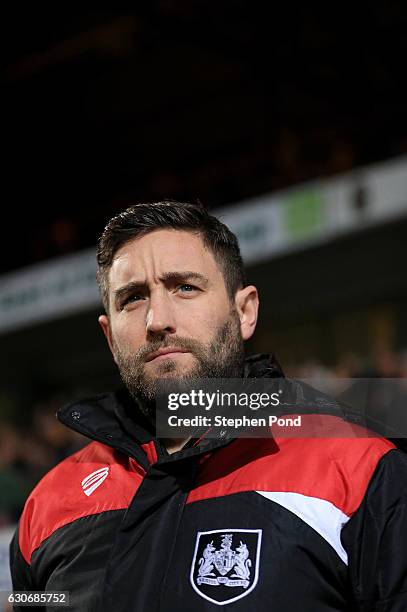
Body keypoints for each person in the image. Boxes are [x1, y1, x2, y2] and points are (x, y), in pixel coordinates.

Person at [10, 201, 407, 611]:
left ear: (244, 312)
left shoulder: (360, 470)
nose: (157, 319)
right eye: (132, 298)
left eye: (185, 287)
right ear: (110, 338)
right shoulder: (46, 506)